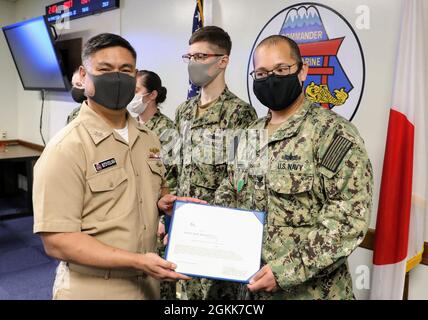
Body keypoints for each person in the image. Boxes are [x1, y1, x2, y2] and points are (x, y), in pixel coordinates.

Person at [32, 33, 203, 300]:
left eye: (125, 70)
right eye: (104, 69)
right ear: (83, 75)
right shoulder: (66, 148)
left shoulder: (149, 138)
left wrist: (162, 202)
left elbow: (148, 191)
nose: (116, 77)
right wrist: (136, 261)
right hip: (93, 288)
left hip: (147, 285)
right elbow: (57, 241)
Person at [215, 35, 374, 300]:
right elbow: (229, 191)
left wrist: (284, 271)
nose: (271, 79)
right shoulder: (250, 134)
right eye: (262, 73)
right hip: (249, 290)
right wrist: (197, 220)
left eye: (281, 69)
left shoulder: (332, 134)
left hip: (311, 294)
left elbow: (348, 220)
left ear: (302, 71)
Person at [175, 26, 258, 300]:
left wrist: (207, 223)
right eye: (190, 57)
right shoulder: (183, 111)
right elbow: (176, 166)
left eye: (200, 56)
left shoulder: (241, 114)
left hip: (217, 232)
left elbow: (240, 179)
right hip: (182, 226)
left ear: (223, 60)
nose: (193, 64)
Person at [127, 70, 177, 299]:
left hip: (158, 213)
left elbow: (173, 176)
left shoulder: (167, 130)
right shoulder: (129, 126)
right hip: (132, 212)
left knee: (158, 280)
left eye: (136, 91)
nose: (131, 95)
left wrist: (162, 218)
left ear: (152, 95)